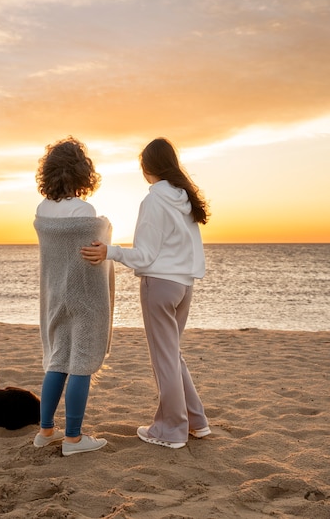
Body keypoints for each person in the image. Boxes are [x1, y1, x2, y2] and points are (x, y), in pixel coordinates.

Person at [81, 137, 210, 449]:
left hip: (160, 285)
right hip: (184, 285)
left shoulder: (154, 200)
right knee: (172, 355)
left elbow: (146, 254)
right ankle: (196, 421)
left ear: (148, 168)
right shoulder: (184, 199)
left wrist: (109, 251)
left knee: (164, 358)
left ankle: (172, 430)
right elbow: (192, 250)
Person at [33, 137, 114, 456]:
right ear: (83, 173)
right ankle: (74, 439)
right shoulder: (85, 209)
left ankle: (45, 431)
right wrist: (106, 227)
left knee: (58, 360)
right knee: (81, 362)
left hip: (55, 295)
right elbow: (96, 248)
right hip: (83, 296)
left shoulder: (42, 210)